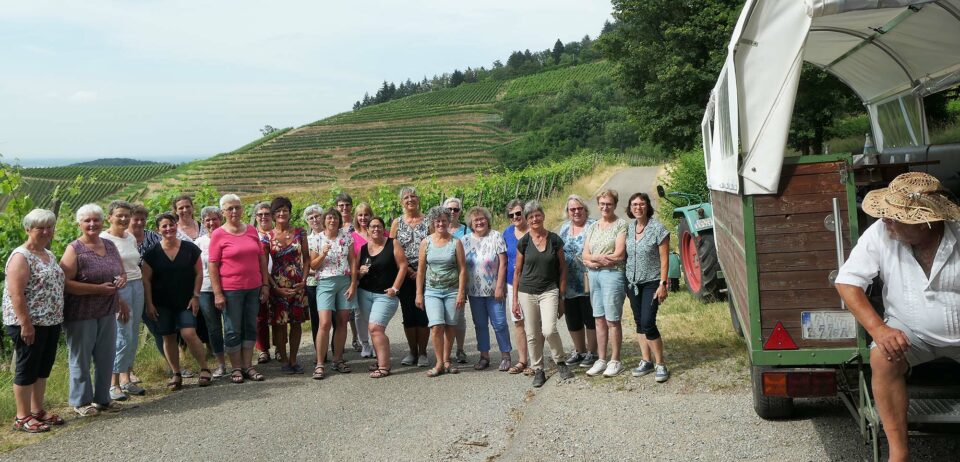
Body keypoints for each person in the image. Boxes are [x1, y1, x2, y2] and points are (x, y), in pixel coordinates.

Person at [835, 172, 960, 462]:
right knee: (882, 356)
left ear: (926, 221)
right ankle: (899, 454)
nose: (886, 220)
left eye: (896, 216)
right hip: (911, 331)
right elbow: (847, 282)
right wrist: (879, 329)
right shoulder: (882, 231)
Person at [60, 204, 130, 417]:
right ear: (79, 224)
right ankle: (81, 402)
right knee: (81, 357)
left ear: (102, 222)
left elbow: (120, 272)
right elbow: (64, 282)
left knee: (105, 356)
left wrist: (121, 282)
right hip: (80, 312)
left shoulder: (109, 245)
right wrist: (97, 289)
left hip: (106, 309)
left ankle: (103, 399)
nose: (92, 224)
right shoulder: (75, 249)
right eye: (87, 221)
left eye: (96, 220)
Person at [3, 209, 65, 432]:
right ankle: (22, 417)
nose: (46, 231)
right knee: (27, 368)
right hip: (29, 323)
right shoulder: (21, 256)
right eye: (41, 228)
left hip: (50, 320)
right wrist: (25, 324)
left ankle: (37, 410)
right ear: (28, 229)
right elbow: (16, 294)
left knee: (42, 368)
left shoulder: (48, 254)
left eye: (50, 227)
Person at [142, 213, 211, 390]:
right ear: (158, 229)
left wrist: (196, 295)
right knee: (168, 337)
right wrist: (149, 303)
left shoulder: (189, 249)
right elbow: (146, 280)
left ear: (176, 226)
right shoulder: (152, 254)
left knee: (189, 333)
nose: (168, 229)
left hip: (186, 301)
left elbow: (199, 273)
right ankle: (176, 373)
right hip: (162, 303)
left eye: (171, 225)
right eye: (164, 226)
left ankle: (204, 368)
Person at [208, 194, 271, 384]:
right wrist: (218, 293)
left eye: (237, 207)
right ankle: (236, 367)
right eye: (230, 208)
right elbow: (213, 265)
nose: (234, 211)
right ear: (223, 212)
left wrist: (265, 284)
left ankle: (247, 365)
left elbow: (261, 258)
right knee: (232, 329)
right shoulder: (219, 234)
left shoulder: (251, 230)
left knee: (250, 326)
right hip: (231, 289)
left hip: (253, 287)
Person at [512, 201, 574, 387]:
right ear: (527, 220)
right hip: (527, 291)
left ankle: (560, 362)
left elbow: (563, 268)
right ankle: (538, 369)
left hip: (549, 290)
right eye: (530, 217)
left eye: (537, 215)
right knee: (532, 333)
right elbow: (517, 271)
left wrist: (561, 295)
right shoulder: (524, 242)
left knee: (549, 329)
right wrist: (514, 299)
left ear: (543, 216)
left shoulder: (554, 240)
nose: (534, 219)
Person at [99, 200, 147, 401]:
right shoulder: (104, 239)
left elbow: (134, 264)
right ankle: (113, 384)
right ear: (109, 217)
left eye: (127, 215)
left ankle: (127, 379)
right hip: (119, 289)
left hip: (137, 285)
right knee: (121, 336)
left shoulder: (129, 237)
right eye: (119, 215)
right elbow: (103, 272)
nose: (124, 219)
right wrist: (117, 298)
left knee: (133, 334)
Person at [623, 193, 670, 383]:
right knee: (639, 322)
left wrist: (663, 284)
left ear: (647, 206)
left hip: (652, 282)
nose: (638, 207)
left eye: (641, 204)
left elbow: (664, 259)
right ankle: (646, 360)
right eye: (634, 204)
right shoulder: (629, 228)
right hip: (632, 283)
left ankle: (660, 364)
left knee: (648, 322)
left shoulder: (658, 229)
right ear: (630, 207)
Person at [354, 217, 408, 378]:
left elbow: (403, 266)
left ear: (383, 228)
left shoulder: (393, 243)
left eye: (378, 226)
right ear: (368, 230)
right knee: (373, 329)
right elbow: (354, 271)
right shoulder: (363, 249)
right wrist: (359, 272)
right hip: (365, 293)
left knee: (375, 328)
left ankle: (384, 366)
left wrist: (395, 288)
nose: (375, 229)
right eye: (372, 227)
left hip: (385, 295)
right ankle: (380, 360)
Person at [416, 207, 467, 377]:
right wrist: (418, 293)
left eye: (444, 220)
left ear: (448, 222)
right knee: (437, 326)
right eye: (437, 221)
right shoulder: (426, 243)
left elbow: (462, 269)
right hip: (432, 291)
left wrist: (461, 292)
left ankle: (447, 360)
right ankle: (438, 362)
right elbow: (421, 271)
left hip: (452, 291)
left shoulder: (455, 242)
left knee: (451, 326)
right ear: (433, 222)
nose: (441, 223)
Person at [582, 189, 628, 378]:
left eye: (608, 203)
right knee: (599, 318)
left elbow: (619, 254)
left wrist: (594, 260)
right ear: (598, 205)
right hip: (594, 275)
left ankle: (615, 360)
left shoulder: (621, 225)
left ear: (615, 204)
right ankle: (601, 359)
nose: (605, 207)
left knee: (612, 319)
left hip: (612, 275)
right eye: (602, 203)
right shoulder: (593, 227)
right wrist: (598, 259)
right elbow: (584, 255)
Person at [461, 206, 512, 371]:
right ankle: (484, 356)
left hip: (493, 290)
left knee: (499, 323)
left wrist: (499, 286)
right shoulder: (465, 240)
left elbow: (503, 263)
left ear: (487, 220)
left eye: (482, 219)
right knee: (480, 324)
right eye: (476, 220)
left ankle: (505, 355)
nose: (480, 222)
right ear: (471, 223)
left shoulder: (496, 236)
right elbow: (461, 266)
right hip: (474, 291)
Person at [263, 197, 310, 374]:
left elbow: (306, 259)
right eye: (278, 211)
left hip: (298, 286)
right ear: (273, 215)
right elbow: (263, 266)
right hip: (278, 287)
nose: (282, 213)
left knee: (296, 323)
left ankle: (293, 359)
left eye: (285, 210)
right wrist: (274, 287)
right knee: (279, 325)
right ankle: (283, 360)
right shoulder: (267, 237)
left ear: (290, 212)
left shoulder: (301, 233)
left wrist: (303, 281)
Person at [309, 207, 356, 379]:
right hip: (325, 283)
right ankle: (320, 363)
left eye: (335, 217)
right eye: (329, 218)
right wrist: (323, 254)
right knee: (324, 323)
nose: (332, 220)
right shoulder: (317, 239)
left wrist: (353, 285)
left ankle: (338, 359)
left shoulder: (347, 237)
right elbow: (313, 266)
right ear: (324, 221)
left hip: (344, 282)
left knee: (342, 321)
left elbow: (352, 261)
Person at [390, 187, 431, 367]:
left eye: (413, 196)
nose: (410, 199)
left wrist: (420, 270)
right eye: (406, 197)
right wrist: (407, 270)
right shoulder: (397, 223)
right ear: (401, 202)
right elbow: (391, 248)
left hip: (426, 272)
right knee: (408, 313)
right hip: (404, 274)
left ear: (418, 199)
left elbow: (434, 244)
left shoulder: (428, 221)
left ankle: (423, 352)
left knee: (422, 314)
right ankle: (412, 352)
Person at [558, 195, 598, 369]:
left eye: (579, 208)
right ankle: (579, 350)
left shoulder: (593, 226)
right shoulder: (564, 229)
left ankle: (592, 352)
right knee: (573, 318)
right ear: (568, 212)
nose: (576, 212)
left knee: (590, 316)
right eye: (572, 209)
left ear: (585, 209)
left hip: (589, 280)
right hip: (569, 281)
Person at [194, 206, 227, 378]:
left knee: (231, 326)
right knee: (213, 328)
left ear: (220, 219)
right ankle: (221, 363)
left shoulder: (228, 237)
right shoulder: (198, 243)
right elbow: (195, 270)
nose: (211, 223)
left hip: (228, 287)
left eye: (214, 219)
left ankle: (238, 361)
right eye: (207, 220)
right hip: (206, 289)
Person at [128, 203, 164, 362]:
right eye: (136, 219)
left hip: (154, 290)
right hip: (130, 290)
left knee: (159, 329)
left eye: (143, 219)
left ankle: (171, 363)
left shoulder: (154, 237)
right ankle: (126, 371)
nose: (140, 222)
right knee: (128, 331)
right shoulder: (122, 239)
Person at [503, 199, 531, 375]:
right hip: (512, 283)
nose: (515, 217)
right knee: (518, 322)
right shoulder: (506, 233)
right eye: (511, 215)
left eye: (518, 213)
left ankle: (537, 361)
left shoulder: (534, 231)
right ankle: (522, 360)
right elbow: (503, 260)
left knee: (535, 323)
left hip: (533, 283)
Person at [444, 197, 471, 364]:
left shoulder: (467, 231)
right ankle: (445, 352)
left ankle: (460, 349)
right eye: (449, 209)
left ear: (460, 212)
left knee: (458, 317)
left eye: (455, 209)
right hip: (441, 280)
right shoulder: (438, 227)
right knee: (443, 318)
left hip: (460, 279)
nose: (452, 212)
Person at [336, 192, 362, 353]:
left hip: (356, 269)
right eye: (341, 205)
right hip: (339, 272)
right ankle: (340, 342)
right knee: (342, 310)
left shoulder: (356, 225)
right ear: (336, 207)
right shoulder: (333, 224)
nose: (344, 208)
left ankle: (356, 338)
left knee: (354, 308)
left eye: (347, 205)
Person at [252, 201, 277, 364]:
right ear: (255, 217)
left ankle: (280, 348)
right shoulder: (252, 234)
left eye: (267, 214)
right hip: (260, 279)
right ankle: (263, 350)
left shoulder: (279, 233)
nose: (263, 217)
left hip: (280, 278)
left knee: (278, 316)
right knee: (260, 317)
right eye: (260, 214)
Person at [352, 202, 375, 357]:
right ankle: (364, 344)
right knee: (360, 314)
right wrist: (357, 272)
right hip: (360, 280)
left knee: (376, 315)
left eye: (366, 214)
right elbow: (350, 260)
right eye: (360, 215)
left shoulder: (379, 232)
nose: (363, 218)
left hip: (379, 279)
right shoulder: (351, 237)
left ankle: (376, 343)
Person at [303, 205, 324, 355]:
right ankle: (320, 352)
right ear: (307, 222)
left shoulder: (330, 235)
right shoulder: (306, 240)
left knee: (333, 318)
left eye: (317, 216)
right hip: (312, 284)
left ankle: (337, 349)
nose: (315, 220)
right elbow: (303, 264)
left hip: (332, 282)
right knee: (316, 319)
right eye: (311, 218)